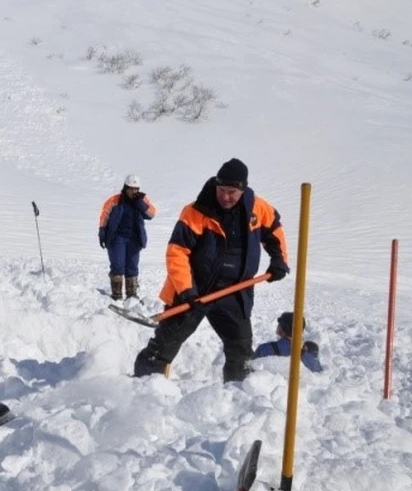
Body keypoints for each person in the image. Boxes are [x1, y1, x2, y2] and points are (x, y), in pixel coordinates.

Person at [133, 158, 289, 383]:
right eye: (222, 190)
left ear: (242, 189)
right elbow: (176, 252)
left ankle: (239, 397)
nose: (226, 197)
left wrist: (279, 261)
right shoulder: (197, 211)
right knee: (163, 346)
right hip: (195, 289)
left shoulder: (257, 207)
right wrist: (187, 290)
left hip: (235, 291)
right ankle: (142, 389)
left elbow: (274, 229)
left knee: (241, 352)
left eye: (232, 192)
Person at [98, 174, 157, 299]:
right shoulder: (115, 200)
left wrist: (140, 203)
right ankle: (117, 295)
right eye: (131, 188)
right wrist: (102, 232)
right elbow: (104, 216)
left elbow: (151, 214)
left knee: (132, 267)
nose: (133, 191)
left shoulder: (142, 200)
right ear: (125, 188)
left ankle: (132, 295)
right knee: (117, 266)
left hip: (134, 239)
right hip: (117, 238)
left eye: (136, 189)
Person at [254, 311, 324, 373]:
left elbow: (251, 368)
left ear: (282, 329)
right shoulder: (307, 355)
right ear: (301, 331)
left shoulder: (264, 349)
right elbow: (320, 374)